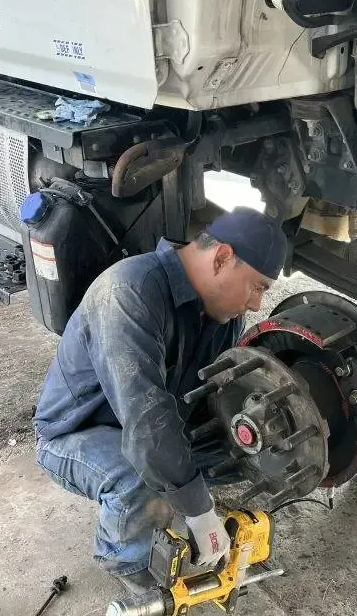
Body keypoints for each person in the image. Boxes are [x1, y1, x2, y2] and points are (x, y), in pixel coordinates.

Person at [33, 207, 288, 592]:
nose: (256, 305)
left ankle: (169, 504)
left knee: (238, 451)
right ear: (221, 258)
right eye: (258, 287)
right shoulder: (128, 292)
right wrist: (201, 512)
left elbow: (211, 399)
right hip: (75, 434)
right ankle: (131, 565)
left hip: (146, 424)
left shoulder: (220, 315)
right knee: (142, 475)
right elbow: (148, 421)